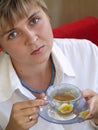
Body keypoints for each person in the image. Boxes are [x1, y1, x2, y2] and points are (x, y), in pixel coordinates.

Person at [0, 0, 98, 130]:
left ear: (48, 16)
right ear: (2, 47)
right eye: (13, 34)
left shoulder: (88, 52)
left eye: (34, 20)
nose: (32, 39)